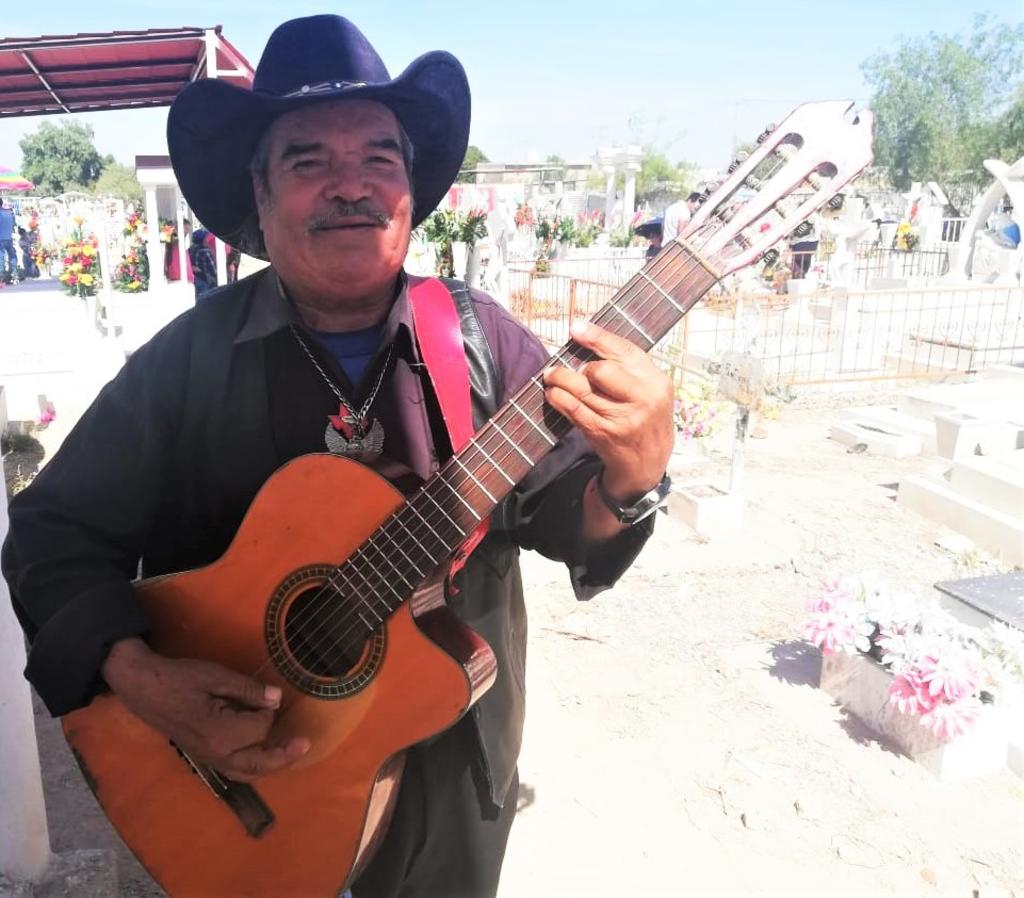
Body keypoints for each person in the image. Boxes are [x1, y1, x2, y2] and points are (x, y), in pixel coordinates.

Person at [2, 15, 674, 898]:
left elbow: (564, 515)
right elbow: (49, 534)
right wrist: (140, 676)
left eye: (378, 159)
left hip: (449, 778)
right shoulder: (187, 363)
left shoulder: (479, 341)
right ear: (259, 194)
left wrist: (631, 478)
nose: (350, 186)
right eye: (308, 160)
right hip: (236, 796)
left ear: (409, 191)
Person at [188, 226, 218, 299]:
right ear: (203, 240)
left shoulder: (190, 249)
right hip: (205, 281)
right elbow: (213, 270)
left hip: (194, 279)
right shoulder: (205, 251)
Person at [0, 200, 17, 281]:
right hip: (9, 238)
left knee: (1, 257)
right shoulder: (9, 214)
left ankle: (1, 275)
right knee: (12, 256)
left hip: (1, 239)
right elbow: (13, 225)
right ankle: (13, 273)